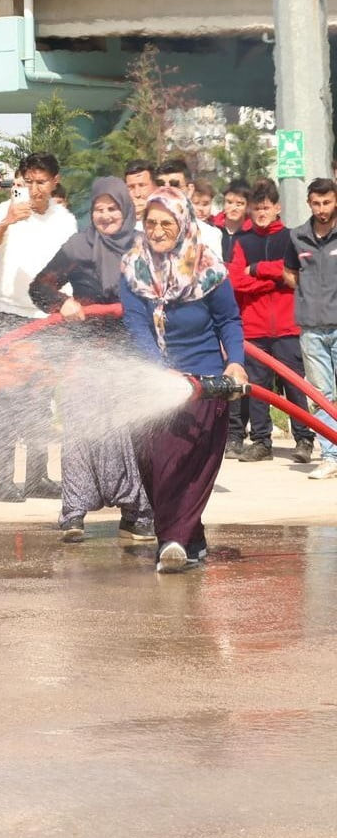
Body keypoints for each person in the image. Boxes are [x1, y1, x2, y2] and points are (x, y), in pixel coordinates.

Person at [120, 187, 247, 573]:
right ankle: (189, 534)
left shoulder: (208, 268)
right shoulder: (133, 268)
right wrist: (158, 369)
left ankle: (172, 541)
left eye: (166, 223)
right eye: (151, 223)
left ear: (184, 225)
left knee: (187, 464)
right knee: (154, 463)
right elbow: (137, 325)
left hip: (207, 383)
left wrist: (235, 365)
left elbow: (229, 321)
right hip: (156, 380)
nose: (157, 231)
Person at [29, 177, 154, 543]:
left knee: (131, 432)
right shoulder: (77, 246)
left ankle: (136, 514)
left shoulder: (142, 246)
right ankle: (73, 514)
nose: (105, 216)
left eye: (112, 208)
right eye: (98, 209)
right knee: (81, 429)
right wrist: (61, 302)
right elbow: (39, 286)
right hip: (84, 352)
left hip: (132, 351)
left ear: (125, 209)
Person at [0, 152, 77, 502]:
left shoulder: (65, 221)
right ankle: (2, 481)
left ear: (54, 182)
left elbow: (71, 269)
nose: (35, 189)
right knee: (5, 402)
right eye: (29, 181)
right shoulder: (6, 212)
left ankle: (37, 477)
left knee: (40, 403)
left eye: (42, 182)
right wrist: (5, 222)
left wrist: (66, 304)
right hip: (7, 318)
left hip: (46, 322)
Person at [227, 177, 314, 465]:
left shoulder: (291, 236)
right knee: (258, 389)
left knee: (295, 387)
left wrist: (259, 269)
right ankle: (261, 441)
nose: (261, 213)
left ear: (277, 207)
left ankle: (304, 439)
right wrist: (274, 280)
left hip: (288, 326)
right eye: (256, 209)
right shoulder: (241, 241)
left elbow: (295, 275)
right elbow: (237, 281)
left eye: (266, 207)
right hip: (253, 327)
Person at [285, 178, 337, 480]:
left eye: (327, 202)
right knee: (322, 395)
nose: (322, 209)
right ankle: (330, 455)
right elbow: (289, 274)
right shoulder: (298, 237)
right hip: (311, 329)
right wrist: (309, 296)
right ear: (308, 203)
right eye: (316, 203)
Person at [214, 180, 253, 457]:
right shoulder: (212, 231)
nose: (234, 207)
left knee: (240, 371)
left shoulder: (251, 236)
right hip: (217, 314)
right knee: (220, 372)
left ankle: (239, 433)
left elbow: (240, 280)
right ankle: (226, 432)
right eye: (230, 202)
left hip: (246, 314)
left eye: (240, 203)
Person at [157, 158, 223, 255]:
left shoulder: (209, 235)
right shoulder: (141, 231)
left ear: (190, 189)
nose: (168, 192)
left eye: (175, 185)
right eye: (161, 185)